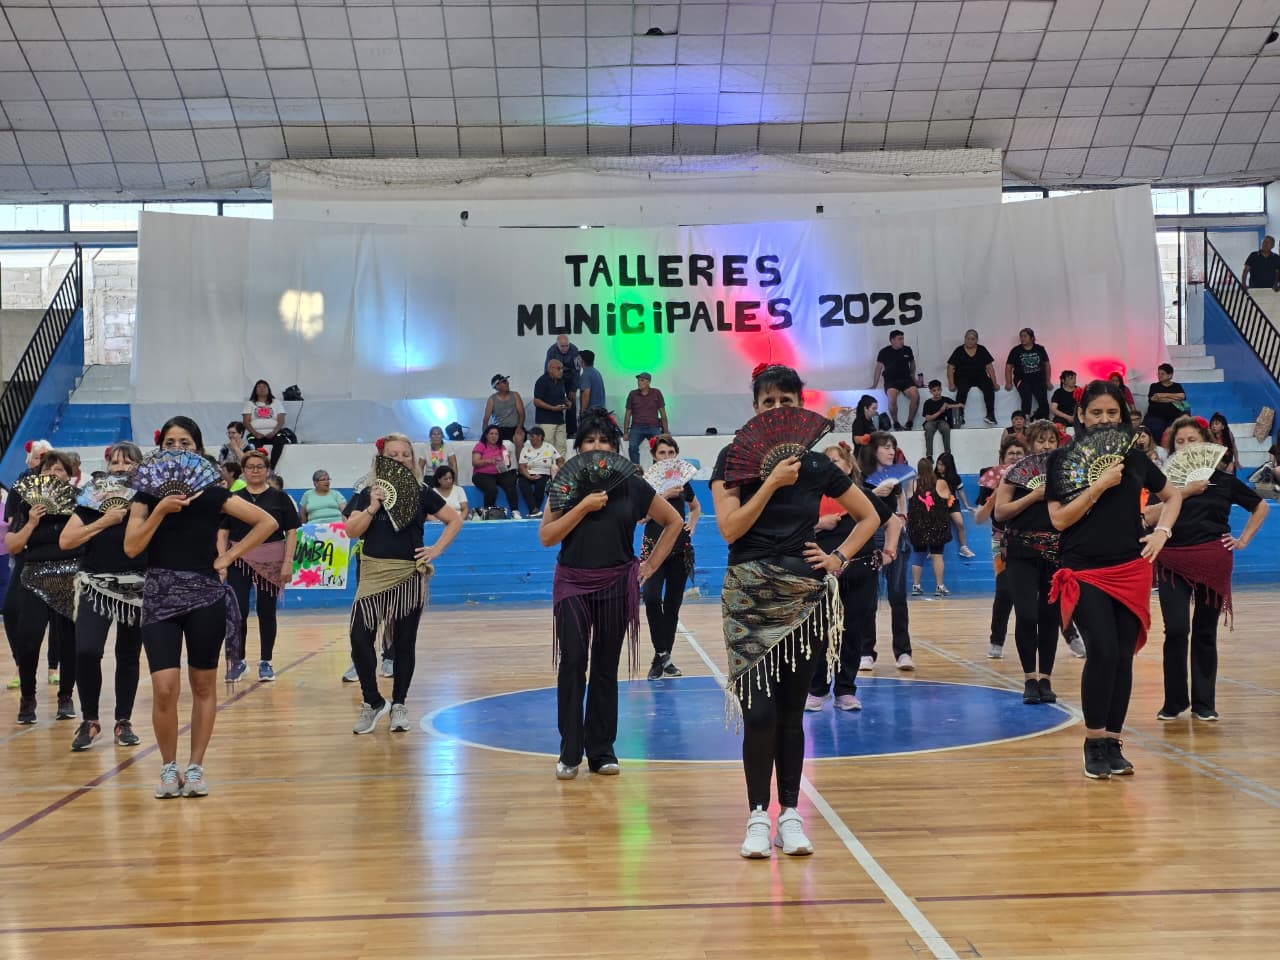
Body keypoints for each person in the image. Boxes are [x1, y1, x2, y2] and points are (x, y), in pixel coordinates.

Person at [711, 364, 879, 858]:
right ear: (756, 410)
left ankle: (790, 814)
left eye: (787, 402)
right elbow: (730, 529)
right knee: (757, 713)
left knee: (790, 713)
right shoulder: (732, 459)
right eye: (768, 403)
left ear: (799, 407)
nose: (778, 410)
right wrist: (769, 483)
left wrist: (837, 558)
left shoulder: (817, 465)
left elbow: (869, 515)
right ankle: (757, 817)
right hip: (747, 597)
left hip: (805, 597)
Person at [125, 416, 277, 798]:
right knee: (164, 688)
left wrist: (229, 557)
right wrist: (160, 511)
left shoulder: (213, 493)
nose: (178, 447)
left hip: (205, 595)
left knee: (203, 684)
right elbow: (131, 547)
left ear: (197, 448)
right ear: (161, 448)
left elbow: (267, 522)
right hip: (160, 594)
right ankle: (167, 767)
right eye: (171, 441)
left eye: (186, 442)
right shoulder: (144, 496)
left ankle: (195, 768)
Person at [1045, 380, 1182, 780]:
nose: (1104, 419)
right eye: (1096, 413)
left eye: (1112, 413)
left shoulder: (1136, 458)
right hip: (1084, 570)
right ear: (1082, 418)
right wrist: (1097, 487)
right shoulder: (1062, 460)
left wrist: (1162, 532)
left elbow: (1172, 496)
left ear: (1122, 416)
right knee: (1102, 651)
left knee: (1123, 656)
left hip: (1131, 568)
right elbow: (1057, 520)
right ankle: (1092, 741)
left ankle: (1113, 742)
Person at [541, 408, 683, 780]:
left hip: (617, 585)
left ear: (615, 446)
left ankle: (601, 750)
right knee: (573, 663)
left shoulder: (633, 484)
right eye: (590, 440)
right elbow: (547, 536)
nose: (597, 446)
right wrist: (583, 507)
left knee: (605, 667)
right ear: (579, 447)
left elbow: (674, 521)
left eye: (604, 440)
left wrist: (649, 566)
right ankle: (569, 750)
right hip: (572, 583)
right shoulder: (566, 483)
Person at [1147, 416, 1269, 722]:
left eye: (1192, 440)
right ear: (1172, 447)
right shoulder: (1164, 482)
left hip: (1213, 561)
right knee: (1175, 629)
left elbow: (1261, 506)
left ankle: (1204, 703)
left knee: (1204, 631)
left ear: (1205, 444)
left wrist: (1243, 540)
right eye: (1180, 441)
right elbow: (1148, 517)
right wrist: (1184, 491)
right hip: (1172, 560)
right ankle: (1174, 702)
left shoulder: (1225, 481)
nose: (1186, 446)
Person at [343, 434, 463, 735]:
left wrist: (435, 550)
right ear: (381, 459)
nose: (399, 460)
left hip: (408, 574)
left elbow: (455, 520)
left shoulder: (422, 492)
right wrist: (373, 506)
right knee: (359, 637)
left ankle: (399, 704)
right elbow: (351, 531)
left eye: (405, 455)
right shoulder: (366, 492)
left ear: (413, 459)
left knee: (404, 643)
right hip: (372, 574)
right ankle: (372, 701)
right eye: (393, 455)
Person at [59, 441, 147, 751]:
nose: (121, 468)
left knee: (128, 655)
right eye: (115, 463)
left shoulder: (148, 498)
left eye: (128, 462)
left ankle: (123, 721)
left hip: (137, 586)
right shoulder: (90, 499)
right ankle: (90, 720)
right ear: (107, 467)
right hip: (95, 584)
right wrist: (105, 521)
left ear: (140, 466)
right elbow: (67, 540)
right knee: (86, 650)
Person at [805, 442, 899, 713]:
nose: (833, 465)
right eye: (828, 461)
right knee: (819, 632)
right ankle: (817, 689)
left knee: (853, 631)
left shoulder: (863, 496)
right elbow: (795, 528)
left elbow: (893, 522)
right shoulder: (811, 497)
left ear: (849, 465)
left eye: (838, 460)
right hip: (820, 575)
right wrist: (821, 524)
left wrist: (889, 552)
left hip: (860, 573)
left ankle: (846, 690)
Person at [6, 450, 81, 725]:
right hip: (34, 575)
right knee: (28, 638)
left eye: (59, 470)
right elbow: (13, 546)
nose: (52, 474)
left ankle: (66, 697)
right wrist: (32, 523)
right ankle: (28, 698)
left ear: (69, 476)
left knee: (69, 640)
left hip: (69, 575)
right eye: (47, 470)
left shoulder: (80, 500)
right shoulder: (27, 503)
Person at [994, 420, 1063, 704]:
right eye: (1040, 441)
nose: (1046, 446)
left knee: (1050, 617)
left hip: (1056, 553)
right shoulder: (1014, 473)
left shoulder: (1065, 473)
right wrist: (1034, 496)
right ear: (1030, 444)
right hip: (1021, 551)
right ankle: (1029, 678)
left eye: (1051, 441)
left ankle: (1046, 678)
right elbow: (1000, 512)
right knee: (1026, 615)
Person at [218, 449, 300, 683]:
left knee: (266, 611)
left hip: (271, 558)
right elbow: (222, 531)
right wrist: (223, 560)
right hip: (239, 560)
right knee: (238, 612)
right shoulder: (233, 499)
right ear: (243, 471)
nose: (255, 470)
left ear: (267, 470)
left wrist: (287, 562)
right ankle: (239, 661)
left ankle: (266, 661)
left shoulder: (280, 498)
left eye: (259, 467)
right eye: (250, 467)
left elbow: (291, 531)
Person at [643, 435, 702, 681]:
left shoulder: (683, 482)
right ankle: (662, 653)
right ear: (654, 457)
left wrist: (692, 524)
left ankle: (662, 658)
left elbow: (696, 507)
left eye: (670, 453)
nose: (666, 457)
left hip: (679, 548)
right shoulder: (645, 484)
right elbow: (640, 517)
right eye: (662, 453)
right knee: (652, 598)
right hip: (654, 548)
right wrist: (664, 496)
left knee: (673, 605)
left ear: (676, 455)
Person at [857, 432, 915, 671]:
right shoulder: (860, 479)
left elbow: (901, 504)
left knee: (898, 596)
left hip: (894, 537)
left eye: (893, 447)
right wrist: (873, 494)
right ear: (873, 450)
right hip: (869, 537)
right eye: (886, 447)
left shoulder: (896, 480)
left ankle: (903, 652)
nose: (891, 451)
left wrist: (902, 517)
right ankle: (866, 652)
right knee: (868, 599)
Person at [976, 436, 1027, 659]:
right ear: (1002, 458)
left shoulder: (1032, 480)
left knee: (1047, 590)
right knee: (1005, 591)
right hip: (1002, 541)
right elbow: (979, 518)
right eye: (1011, 454)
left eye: (1019, 454)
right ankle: (996, 641)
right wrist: (995, 497)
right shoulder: (991, 482)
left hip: (1030, 538)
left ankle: (1071, 635)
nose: (1015, 458)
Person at [907, 458, 952, 597]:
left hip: (917, 525)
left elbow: (909, 499)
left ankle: (916, 585)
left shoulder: (912, 483)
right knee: (937, 555)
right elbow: (949, 497)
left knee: (918, 555)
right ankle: (939, 586)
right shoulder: (940, 483)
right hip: (936, 524)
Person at [946, 328, 1000, 426]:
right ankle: (959, 416)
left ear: (977, 340)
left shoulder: (982, 349)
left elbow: (990, 368)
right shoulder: (959, 350)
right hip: (962, 376)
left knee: (988, 387)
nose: (970, 341)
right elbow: (950, 367)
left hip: (980, 376)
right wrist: (951, 384)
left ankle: (990, 415)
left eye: (972, 339)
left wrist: (995, 383)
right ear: (964, 338)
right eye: (968, 338)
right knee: (962, 389)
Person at [871, 329, 919, 429]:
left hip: (906, 379)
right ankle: (896, 422)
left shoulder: (907, 349)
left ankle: (909, 421)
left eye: (903, 338)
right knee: (891, 398)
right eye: (899, 339)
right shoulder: (884, 352)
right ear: (892, 340)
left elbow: (912, 364)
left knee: (915, 395)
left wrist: (913, 377)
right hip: (891, 381)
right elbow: (878, 368)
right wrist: (874, 384)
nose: (902, 341)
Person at [471, 425, 521, 518]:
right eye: (491, 434)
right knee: (492, 489)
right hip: (481, 474)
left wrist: (507, 460)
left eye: (496, 434)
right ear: (486, 435)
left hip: (498, 474)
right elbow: (475, 462)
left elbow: (507, 465)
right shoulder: (481, 445)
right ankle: (489, 513)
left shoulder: (502, 447)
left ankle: (515, 511)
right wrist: (488, 460)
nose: (494, 436)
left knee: (511, 483)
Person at [1005, 328, 1051, 421]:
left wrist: (1048, 381)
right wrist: (1008, 382)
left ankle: (1041, 419)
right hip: (1022, 379)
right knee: (1026, 398)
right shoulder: (1016, 350)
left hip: (1038, 378)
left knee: (1043, 401)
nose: (1022, 338)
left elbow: (1047, 365)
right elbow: (1009, 366)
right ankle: (1026, 420)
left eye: (1025, 336)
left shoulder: (1040, 349)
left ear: (1032, 338)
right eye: (1021, 336)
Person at [242, 379, 288, 470]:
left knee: (280, 441)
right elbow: (246, 422)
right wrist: (255, 433)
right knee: (254, 447)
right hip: (256, 434)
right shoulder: (250, 403)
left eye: (264, 387)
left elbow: (281, 420)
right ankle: (262, 467)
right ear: (255, 390)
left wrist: (274, 432)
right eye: (259, 387)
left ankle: (271, 468)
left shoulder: (276, 403)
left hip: (274, 433)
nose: (261, 389)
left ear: (268, 389)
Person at [623, 373, 668, 464]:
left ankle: (655, 470)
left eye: (642, 380)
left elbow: (663, 413)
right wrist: (626, 432)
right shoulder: (633, 394)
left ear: (649, 382)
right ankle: (637, 470)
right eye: (638, 380)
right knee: (632, 447)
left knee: (659, 446)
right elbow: (628, 414)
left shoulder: (656, 393)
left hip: (653, 427)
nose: (639, 382)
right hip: (637, 427)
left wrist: (666, 432)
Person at [518, 426, 559, 518]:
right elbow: (522, 466)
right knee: (522, 483)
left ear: (540, 437)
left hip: (543, 472)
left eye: (532, 436)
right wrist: (528, 476)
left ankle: (534, 510)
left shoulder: (549, 447)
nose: (530, 438)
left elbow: (559, 459)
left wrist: (558, 467)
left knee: (540, 485)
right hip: (528, 472)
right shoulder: (526, 448)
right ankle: (534, 510)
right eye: (530, 436)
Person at [533, 357, 571, 457]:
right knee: (547, 446)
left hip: (560, 419)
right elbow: (536, 401)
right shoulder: (542, 381)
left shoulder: (561, 381)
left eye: (562, 369)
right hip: (546, 421)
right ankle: (547, 471)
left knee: (562, 446)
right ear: (550, 369)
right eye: (558, 368)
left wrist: (567, 402)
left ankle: (561, 469)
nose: (561, 371)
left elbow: (563, 396)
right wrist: (552, 408)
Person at [545, 335, 581, 436]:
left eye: (567, 346)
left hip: (570, 378)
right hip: (557, 379)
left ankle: (571, 431)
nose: (565, 348)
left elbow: (577, 371)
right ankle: (556, 428)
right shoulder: (551, 351)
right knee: (556, 403)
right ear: (557, 345)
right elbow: (547, 370)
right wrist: (550, 386)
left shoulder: (575, 350)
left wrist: (573, 389)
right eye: (562, 346)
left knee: (571, 403)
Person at [1145, 364, 1187, 443]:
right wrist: (1173, 399)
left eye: (1162, 374)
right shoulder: (1154, 386)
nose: (1159, 375)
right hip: (1156, 416)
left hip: (1173, 417)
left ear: (1169, 375)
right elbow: (1154, 399)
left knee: (1174, 431)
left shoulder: (1176, 386)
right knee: (1156, 429)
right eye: (1159, 373)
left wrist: (1164, 395)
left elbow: (1182, 397)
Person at [921, 380, 962, 458]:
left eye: (938, 389)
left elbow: (960, 405)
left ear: (941, 389)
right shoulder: (928, 402)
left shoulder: (945, 399)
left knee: (946, 428)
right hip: (931, 422)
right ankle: (929, 455)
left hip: (942, 421)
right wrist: (940, 411)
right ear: (930, 391)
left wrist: (948, 406)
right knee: (928, 428)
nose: (937, 392)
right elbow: (928, 418)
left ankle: (947, 453)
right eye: (934, 390)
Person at [483, 374, 526, 444]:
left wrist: (519, 427)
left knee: (519, 438)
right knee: (494, 440)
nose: (508, 383)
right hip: (500, 429)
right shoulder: (492, 399)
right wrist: (485, 436)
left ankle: (519, 455)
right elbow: (485, 420)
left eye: (507, 381)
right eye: (504, 382)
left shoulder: (515, 395)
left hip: (515, 427)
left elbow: (522, 414)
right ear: (497, 386)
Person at [577, 349, 607, 414]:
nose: (577, 361)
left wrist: (583, 411)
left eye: (578, 359)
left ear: (582, 361)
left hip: (591, 414)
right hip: (601, 411)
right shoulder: (596, 372)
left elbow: (586, 393)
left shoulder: (586, 374)